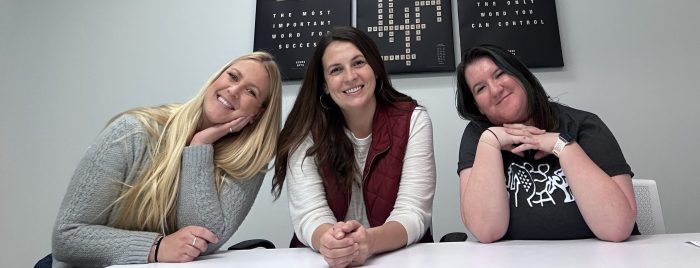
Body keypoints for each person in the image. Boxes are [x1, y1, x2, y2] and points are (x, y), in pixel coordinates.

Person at [51, 51, 282, 267]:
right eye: (232, 77)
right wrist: (156, 247)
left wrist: (199, 146)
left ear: (257, 114)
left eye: (251, 91)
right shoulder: (133, 132)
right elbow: (67, 236)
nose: (233, 90)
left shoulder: (248, 164)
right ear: (216, 79)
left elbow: (203, 240)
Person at [272, 26, 436, 267]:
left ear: (376, 70)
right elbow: (309, 214)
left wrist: (369, 241)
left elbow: (413, 212)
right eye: (336, 70)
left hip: (398, 258)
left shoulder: (413, 120)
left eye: (358, 63)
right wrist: (333, 242)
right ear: (325, 85)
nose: (350, 76)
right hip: (325, 260)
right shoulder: (304, 130)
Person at [455, 44, 639, 243]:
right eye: (480, 88)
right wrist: (489, 143)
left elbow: (617, 228)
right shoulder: (478, 136)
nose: (495, 89)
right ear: (477, 106)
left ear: (520, 75)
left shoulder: (585, 126)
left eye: (500, 74)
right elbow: (487, 231)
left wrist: (563, 146)